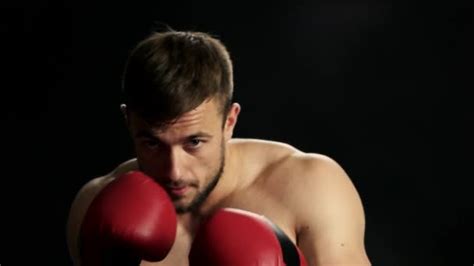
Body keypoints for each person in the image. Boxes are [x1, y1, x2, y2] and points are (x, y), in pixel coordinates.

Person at [66, 29, 371, 265]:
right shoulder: (96, 204)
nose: (174, 170)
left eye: (194, 142)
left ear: (229, 121)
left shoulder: (309, 186)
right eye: (152, 143)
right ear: (128, 121)